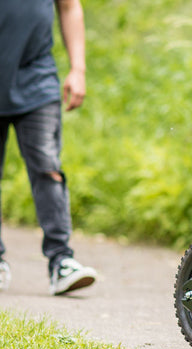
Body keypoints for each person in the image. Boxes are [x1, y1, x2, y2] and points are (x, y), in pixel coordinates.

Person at [0, 0, 97, 295]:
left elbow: (69, 6)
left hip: (36, 79)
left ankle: (61, 261)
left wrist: (77, 69)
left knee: (48, 168)